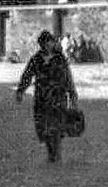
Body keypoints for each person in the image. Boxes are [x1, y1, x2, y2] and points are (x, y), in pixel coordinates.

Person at [15, 30, 79, 162]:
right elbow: (27, 75)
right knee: (43, 127)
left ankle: (55, 153)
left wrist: (72, 94)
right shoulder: (36, 59)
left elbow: (68, 78)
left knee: (56, 126)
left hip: (58, 97)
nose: (49, 45)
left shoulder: (60, 59)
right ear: (42, 44)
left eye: (51, 42)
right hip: (41, 98)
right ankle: (51, 151)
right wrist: (20, 91)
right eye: (46, 42)